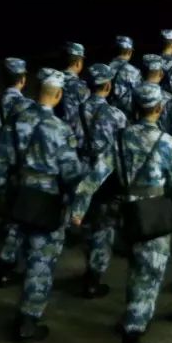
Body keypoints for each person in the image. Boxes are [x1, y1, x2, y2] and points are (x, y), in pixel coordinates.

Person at [72, 82, 172, 343]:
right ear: (159, 109)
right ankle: (132, 338)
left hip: (127, 213)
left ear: (135, 108)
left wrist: (78, 210)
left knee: (135, 270)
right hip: (153, 215)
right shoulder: (168, 143)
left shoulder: (120, 139)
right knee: (148, 276)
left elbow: (93, 177)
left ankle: (132, 319)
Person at [11, 69, 85, 343]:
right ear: (58, 95)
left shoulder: (18, 120)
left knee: (24, 251)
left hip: (21, 194)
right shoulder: (59, 129)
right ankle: (28, 320)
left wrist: (3, 196)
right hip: (47, 199)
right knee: (41, 261)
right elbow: (71, 172)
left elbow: (0, 160)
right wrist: (75, 202)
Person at [70, 63, 129, 299]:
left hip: (80, 170)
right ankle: (94, 277)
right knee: (104, 228)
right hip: (105, 175)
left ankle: (89, 269)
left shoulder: (75, 112)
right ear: (108, 85)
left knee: (86, 223)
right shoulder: (116, 115)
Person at [0, 58, 34, 288]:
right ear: (23, 79)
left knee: (8, 214)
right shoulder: (29, 108)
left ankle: (5, 264)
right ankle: (13, 263)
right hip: (21, 170)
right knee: (21, 218)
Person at [58, 42, 90, 146]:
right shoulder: (79, 86)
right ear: (78, 63)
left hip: (57, 137)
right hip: (76, 139)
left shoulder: (52, 81)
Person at [108, 36, 142, 116]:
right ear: (130, 52)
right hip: (126, 116)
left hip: (107, 114)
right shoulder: (134, 72)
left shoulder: (105, 69)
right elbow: (138, 95)